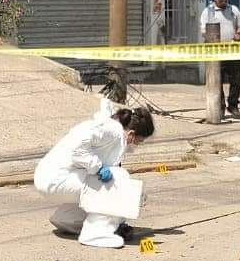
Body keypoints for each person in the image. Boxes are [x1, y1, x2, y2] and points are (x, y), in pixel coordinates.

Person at [33, 103, 155, 248]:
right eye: (138, 142)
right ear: (131, 134)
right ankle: (96, 234)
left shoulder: (112, 133)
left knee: (110, 184)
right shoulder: (112, 130)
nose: (136, 146)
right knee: (120, 180)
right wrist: (97, 167)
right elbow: (78, 148)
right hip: (56, 178)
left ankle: (66, 219)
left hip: (54, 178)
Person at [200, 0, 240, 118]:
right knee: (216, 81)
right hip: (216, 52)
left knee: (236, 80)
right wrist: (211, 37)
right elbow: (203, 30)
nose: (224, 0)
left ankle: (233, 105)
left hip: (233, 51)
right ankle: (220, 107)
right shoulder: (208, 11)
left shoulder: (234, 10)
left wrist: (238, 33)